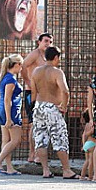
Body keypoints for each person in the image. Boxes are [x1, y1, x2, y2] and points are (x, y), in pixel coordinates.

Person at [32, 45, 78, 179]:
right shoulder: (57, 72)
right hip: (52, 108)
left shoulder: (36, 71)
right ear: (56, 57)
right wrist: (64, 105)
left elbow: (34, 92)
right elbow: (65, 91)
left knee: (40, 138)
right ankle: (66, 170)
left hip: (39, 106)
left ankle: (45, 170)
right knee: (59, 138)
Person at [0, 54, 24, 176]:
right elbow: (7, 99)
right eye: (21, 65)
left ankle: (9, 167)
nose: (21, 68)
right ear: (17, 65)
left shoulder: (4, 77)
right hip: (11, 112)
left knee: (6, 140)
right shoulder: (11, 80)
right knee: (15, 140)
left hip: (2, 111)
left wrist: (2, 102)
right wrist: (9, 118)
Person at [22, 33, 54, 163]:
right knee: (34, 123)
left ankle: (39, 154)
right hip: (32, 92)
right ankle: (32, 153)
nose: (48, 44)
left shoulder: (48, 56)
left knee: (43, 124)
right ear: (39, 42)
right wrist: (28, 82)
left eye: (50, 42)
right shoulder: (35, 54)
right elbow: (23, 66)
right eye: (46, 41)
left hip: (44, 93)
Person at [80, 110, 96, 180]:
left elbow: (83, 135)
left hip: (87, 143)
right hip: (92, 143)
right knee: (91, 161)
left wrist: (84, 145)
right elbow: (91, 132)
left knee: (86, 161)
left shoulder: (86, 125)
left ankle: (82, 176)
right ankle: (90, 176)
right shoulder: (93, 124)